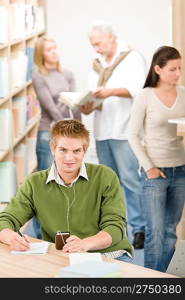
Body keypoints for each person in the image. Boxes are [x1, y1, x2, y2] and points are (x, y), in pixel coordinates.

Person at [0, 120, 132, 262]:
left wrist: (85, 244)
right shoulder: (34, 182)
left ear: (84, 151)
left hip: (107, 253)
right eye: (63, 150)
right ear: (52, 148)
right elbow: (7, 219)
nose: (69, 158)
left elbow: (115, 227)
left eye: (76, 151)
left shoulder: (105, 176)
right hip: (62, 255)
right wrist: (11, 237)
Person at [80, 21, 146, 249]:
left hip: (124, 130)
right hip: (102, 130)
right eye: (93, 45)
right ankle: (116, 228)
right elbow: (93, 94)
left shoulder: (131, 58)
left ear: (110, 38)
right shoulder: (97, 64)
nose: (96, 49)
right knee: (110, 183)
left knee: (130, 181)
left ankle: (140, 229)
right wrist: (86, 105)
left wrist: (110, 91)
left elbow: (139, 89)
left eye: (98, 44)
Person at [128, 46, 185, 271]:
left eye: (180, 68)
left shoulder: (184, 93)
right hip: (155, 172)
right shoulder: (145, 96)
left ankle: (167, 278)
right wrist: (149, 167)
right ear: (158, 69)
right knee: (155, 231)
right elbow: (132, 135)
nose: (178, 73)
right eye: (172, 69)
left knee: (171, 229)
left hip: (180, 168)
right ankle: (152, 281)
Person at [29, 36, 81, 238]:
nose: (54, 52)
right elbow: (49, 106)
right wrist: (67, 129)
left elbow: (75, 102)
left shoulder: (67, 73)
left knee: (67, 184)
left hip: (67, 135)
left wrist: (77, 129)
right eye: (49, 49)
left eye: (55, 48)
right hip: (49, 133)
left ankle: (62, 231)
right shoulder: (38, 76)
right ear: (41, 54)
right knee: (46, 185)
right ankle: (41, 233)